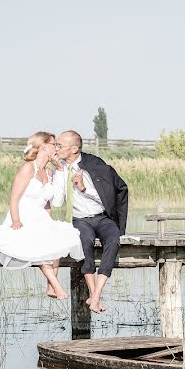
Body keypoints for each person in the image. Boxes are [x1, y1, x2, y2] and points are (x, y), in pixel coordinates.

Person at [0, 131, 84, 298]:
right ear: (44, 146)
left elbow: (53, 202)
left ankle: (51, 286)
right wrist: (16, 221)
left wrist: (60, 170)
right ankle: (57, 287)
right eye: (54, 144)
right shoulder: (28, 168)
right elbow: (14, 198)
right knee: (37, 241)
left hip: (40, 216)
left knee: (61, 237)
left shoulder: (50, 172)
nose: (57, 148)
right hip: (23, 214)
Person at [50, 130, 128, 313]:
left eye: (60, 145)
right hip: (80, 220)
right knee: (84, 241)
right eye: (56, 145)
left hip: (102, 217)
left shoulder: (95, 165)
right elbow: (57, 202)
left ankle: (96, 294)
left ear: (75, 148)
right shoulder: (58, 169)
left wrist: (84, 189)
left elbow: (109, 197)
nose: (56, 148)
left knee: (113, 239)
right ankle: (94, 296)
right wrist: (60, 173)